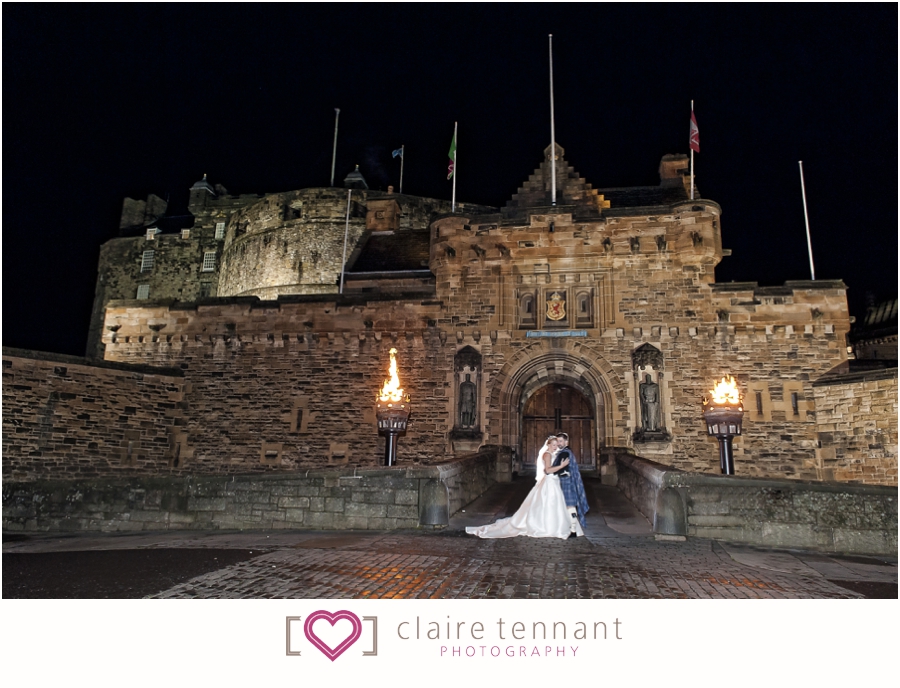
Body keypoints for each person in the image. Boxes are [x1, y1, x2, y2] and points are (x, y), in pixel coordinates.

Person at [466, 436, 583, 539]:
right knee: (549, 504)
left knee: (556, 505)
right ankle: (546, 526)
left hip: (555, 482)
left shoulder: (553, 454)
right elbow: (547, 470)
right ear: (548, 445)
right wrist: (561, 466)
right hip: (549, 483)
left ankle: (558, 525)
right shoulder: (547, 454)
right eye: (553, 445)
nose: (555, 447)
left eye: (556, 445)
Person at [555, 433, 589, 538]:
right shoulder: (566, 452)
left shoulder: (564, 453)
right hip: (569, 480)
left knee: (570, 505)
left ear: (566, 442)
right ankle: (571, 528)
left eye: (561, 441)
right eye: (558, 441)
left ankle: (573, 530)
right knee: (569, 505)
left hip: (566, 481)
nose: (559, 443)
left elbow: (559, 469)